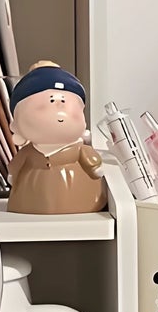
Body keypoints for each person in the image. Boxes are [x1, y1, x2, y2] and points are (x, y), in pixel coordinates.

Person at [6, 61, 107, 214]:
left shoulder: (78, 150)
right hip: (29, 202)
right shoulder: (28, 153)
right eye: (51, 101)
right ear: (17, 124)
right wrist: (13, 173)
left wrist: (94, 165)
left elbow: (91, 160)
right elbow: (16, 165)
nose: (58, 108)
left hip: (80, 199)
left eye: (63, 102)